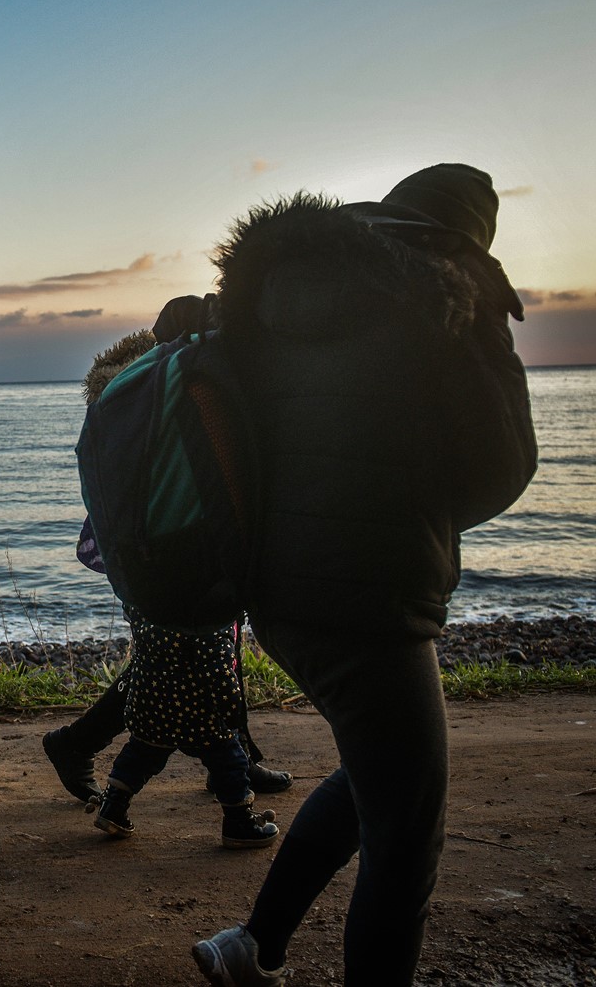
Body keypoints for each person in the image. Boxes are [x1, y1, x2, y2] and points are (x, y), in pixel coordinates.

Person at [194, 166, 537, 986]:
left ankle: (253, 945)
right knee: (409, 827)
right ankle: (267, 949)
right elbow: (503, 465)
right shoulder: (445, 293)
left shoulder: (284, 288)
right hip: (370, 598)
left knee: (373, 772)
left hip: (274, 590)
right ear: (466, 238)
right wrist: (420, 511)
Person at [42, 299, 291, 822]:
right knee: (189, 656)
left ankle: (220, 757)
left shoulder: (137, 381)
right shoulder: (180, 381)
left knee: (175, 659)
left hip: (140, 547)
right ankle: (87, 745)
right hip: (170, 543)